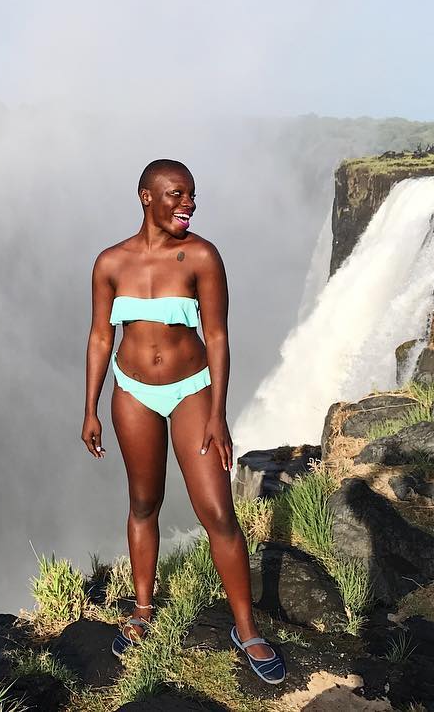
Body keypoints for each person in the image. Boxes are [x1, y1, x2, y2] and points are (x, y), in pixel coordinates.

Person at [80, 159, 286, 684]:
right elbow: (101, 336)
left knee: (217, 510)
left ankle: (246, 628)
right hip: (132, 392)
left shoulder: (201, 256)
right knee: (143, 502)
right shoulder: (110, 262)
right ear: (146, 196)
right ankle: (143, 609)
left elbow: (216, 335)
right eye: (176, 194)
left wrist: (218, 413)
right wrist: (90, 408)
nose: (188, 204)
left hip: (191, 391)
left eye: (192, 194)